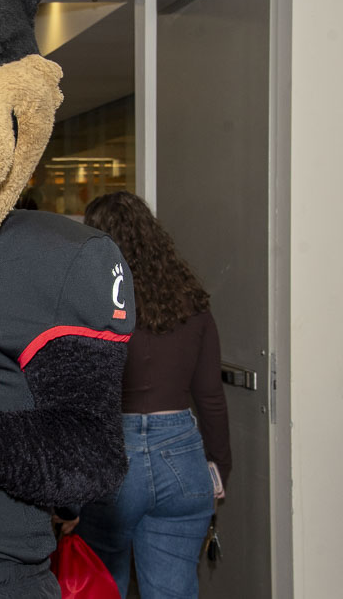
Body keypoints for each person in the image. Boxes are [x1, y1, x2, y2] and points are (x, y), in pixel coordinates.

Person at [76, 191, 231, 598]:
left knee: (102, 586)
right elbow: (211, 397)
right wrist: (219, 469)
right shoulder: (192, 304)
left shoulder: (90, 305)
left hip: (112, 458)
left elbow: (77, 393)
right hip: (182, 457)